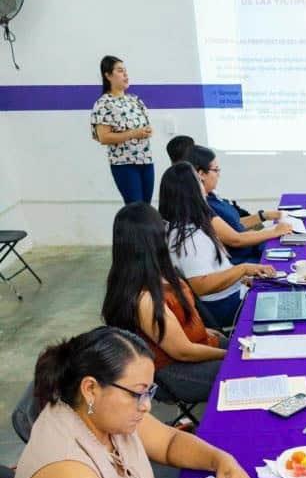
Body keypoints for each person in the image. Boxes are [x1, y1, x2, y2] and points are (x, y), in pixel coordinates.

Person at [5, 327, 258, 478]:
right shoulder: (68, 475)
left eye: (149, 392)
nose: (146, 406)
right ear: (91, 389)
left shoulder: (101, 412)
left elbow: (169, 443)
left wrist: (220, 460)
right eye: (138, 393)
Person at [102, 203, 228, 403]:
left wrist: (206, 333)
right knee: (246, 370)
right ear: (152, 238)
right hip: (175, 372)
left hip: (196, 346)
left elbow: (181, 321)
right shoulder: (145, 299)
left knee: (258, 353)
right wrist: (227, 355)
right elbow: (182, 351)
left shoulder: (158, 272)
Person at [158, 163, 275, 328]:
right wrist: (242, 269)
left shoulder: (186, 225)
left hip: (232, 292)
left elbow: (213, 270)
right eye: (199, 181)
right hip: (224, 305)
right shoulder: (188, 236)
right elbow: (201, 286)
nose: (203, 186)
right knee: (285, 298)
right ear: (190, 191)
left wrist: (243, 278)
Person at [187, 145, 293, 264]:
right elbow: (235, 239)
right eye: (216, 170)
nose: (218, 175)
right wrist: (274, 232)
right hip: (244, 260)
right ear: (201, 174)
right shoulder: (203, 206)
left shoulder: (211, 196)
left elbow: (234, 224)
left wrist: (264, 216)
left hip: (252, 249)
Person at [91, 55, 155, 204]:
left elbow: (145, 125)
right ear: (107, 75)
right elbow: (103, 137)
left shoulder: (134, 99)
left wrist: (147, 131)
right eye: (120, 71)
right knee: (135, 208)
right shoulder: (103, 103)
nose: (125, 74)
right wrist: (133, 133)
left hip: (145, 159)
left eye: (125, 70)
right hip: (124, 163)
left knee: (146, 208)